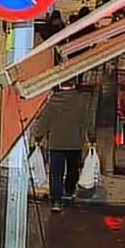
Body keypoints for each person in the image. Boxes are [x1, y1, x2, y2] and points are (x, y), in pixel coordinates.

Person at [36, 80, 95, 212]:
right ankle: (69, 192)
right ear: (73, 85)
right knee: (73, 170)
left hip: (56, 143)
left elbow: (43, 122)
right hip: (75, 143)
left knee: (56, 173)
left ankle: (56, 201)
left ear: (60, 85)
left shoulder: (52, 103)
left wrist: (38, 137)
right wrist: (91, 137)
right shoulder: (80, 102)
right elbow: (87, 121)